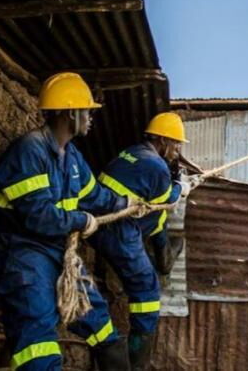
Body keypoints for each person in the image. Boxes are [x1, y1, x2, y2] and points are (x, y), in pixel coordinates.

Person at [0, 73, 136, 370]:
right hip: (24, 253)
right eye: (88, 110)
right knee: (38, 338)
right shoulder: (30, 151)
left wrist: (128, 203)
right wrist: (82, 220)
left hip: (57, 252)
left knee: (100, 324)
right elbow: (38, 215)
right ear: (70, 112)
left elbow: (95, 196)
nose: (92, 117)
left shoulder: (73, 157)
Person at [89, 112, 195, 369]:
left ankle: (165, 257)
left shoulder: (133, 152)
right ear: (161, 140)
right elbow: (169, 199)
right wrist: (183, 186)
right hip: (119, 230)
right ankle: (138, 363)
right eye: (176, 143)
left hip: (100, 225)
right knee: (147, 289)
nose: (178, 149)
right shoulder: (157, 167)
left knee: (157, 222)